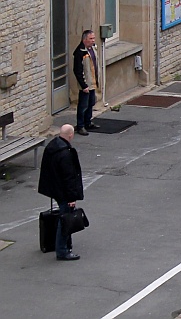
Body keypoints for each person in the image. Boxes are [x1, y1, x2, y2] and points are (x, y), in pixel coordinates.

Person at [38, 125, 84, 260]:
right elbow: (69, 177)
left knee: (63, 218)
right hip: (63, 191)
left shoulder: (53, 146)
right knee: (65, 220)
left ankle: (62, 246)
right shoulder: (66, 153)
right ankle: (62, 250)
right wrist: (72, 197)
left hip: (54, 188)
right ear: (70, 135)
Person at [72, 30, 98, 136]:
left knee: (91, 103)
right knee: (83, 105)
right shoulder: (80, 52)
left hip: (93, 82)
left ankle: (88, 122)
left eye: (93, 38)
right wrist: (84, 85)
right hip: (86, 84)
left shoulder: (92, 49)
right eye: (91, 39)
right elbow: (77, 71)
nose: (93, 41)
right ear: (84, 40)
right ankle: (80, 125)